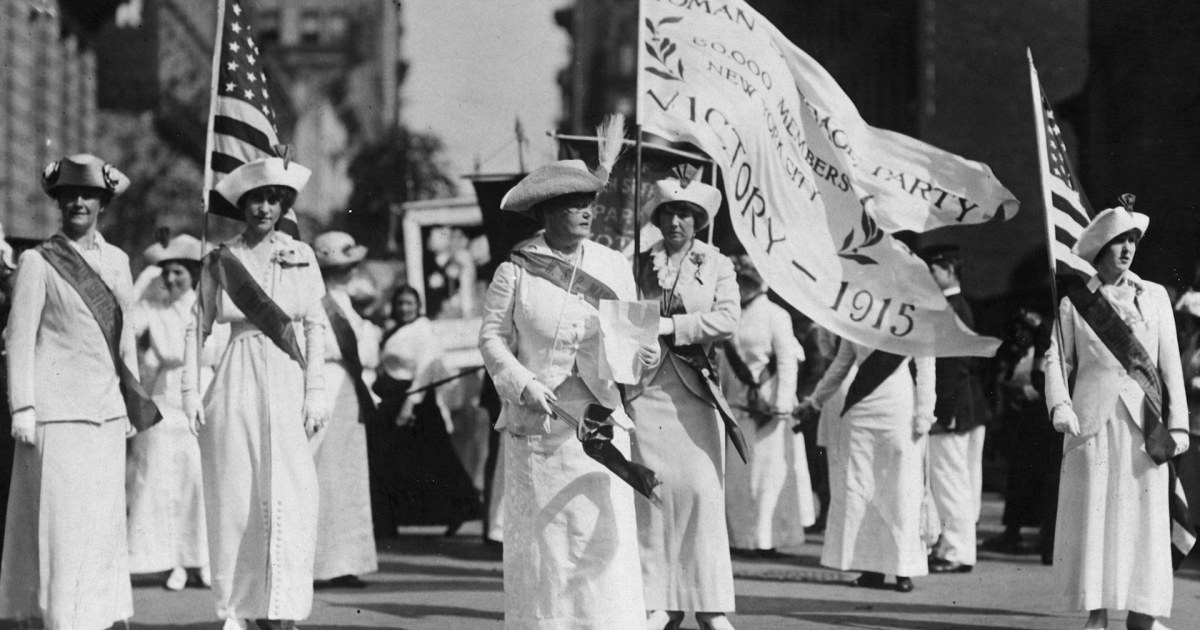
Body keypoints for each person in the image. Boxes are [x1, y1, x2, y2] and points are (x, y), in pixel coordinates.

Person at [479, 158, 657, 630]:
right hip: (540, 426)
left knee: (602, 541)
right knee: (549, 547)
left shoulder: (613, 264)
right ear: (546, 211)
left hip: (600, 422)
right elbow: (492, 339)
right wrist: (523, 383)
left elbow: (632, 336)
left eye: (588, 203)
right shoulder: (516, 269)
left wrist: (646, 353)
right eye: (573, 204)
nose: (586, 212)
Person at [0, 154, 148, 629]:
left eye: (88, 194)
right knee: (61, 528)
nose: (79, 202)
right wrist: (22, 406)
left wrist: (131, 400)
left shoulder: (119, 261)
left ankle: (98, 616)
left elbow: (125, 337)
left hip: (106, 412)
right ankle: (63, 620)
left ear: (103, 202)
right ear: (59, 202)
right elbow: (19, 337)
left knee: (101, 523)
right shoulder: (38, 261)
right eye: (70, 195)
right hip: (56, 413)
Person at [182, 155, 328, 630]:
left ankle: (284, 607)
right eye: (255, 200)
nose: (264, 208)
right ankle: (239, 609)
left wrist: (315, 390)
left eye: (272, 199)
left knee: (292, 494)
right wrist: (190, 390)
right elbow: (197, 326)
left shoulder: (300, 254)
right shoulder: (220, 258)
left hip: (287, 376)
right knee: (235, 495)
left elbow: (315, 325)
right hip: (236, 376)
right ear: (242, 205)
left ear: (283, 205)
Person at [1043, 202, 1190, 630]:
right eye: (1118, 242)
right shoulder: (1075, 303)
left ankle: (1143, 615)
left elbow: (1170, 366)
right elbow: (1057, 360)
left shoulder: (1155, 296)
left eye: (1132, 241)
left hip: (1146, 424)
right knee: (1097, 518)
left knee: (1144, 518)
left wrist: (1179, 423)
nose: (1127, 250)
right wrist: (1060, 405)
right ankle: (1098, 614)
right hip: (1093, 423)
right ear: (1100, 248)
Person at [630, 171, 740, 630]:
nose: (675, 222)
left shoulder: (717, 264)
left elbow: (728, 319)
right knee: (653, 495)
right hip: (646, 393)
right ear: (657, 218)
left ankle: (709, 605)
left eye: (685, 214)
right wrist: (637, 340)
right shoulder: (637, 262)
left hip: (695, 390)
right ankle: (661, 602)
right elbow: (620, 317)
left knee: (700, 493)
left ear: (698, 220)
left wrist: (674, 326)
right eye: (668, 213)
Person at [797, 341, 936, 593]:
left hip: (899, 410)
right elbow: (841, 365)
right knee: (860, 490)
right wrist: (815, 400)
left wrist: (925, 413)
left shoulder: (914, 318)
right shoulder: (857, 318)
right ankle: (870, 568)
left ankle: (903, 568)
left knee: (900, 489)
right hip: (860, 409)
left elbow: (926, 366)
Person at [126, 234, 211, 591]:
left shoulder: (207, 307)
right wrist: (143, 282)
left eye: (178, 272)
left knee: (197, 479)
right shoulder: (154, 307)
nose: (171, 279)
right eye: (166, 273)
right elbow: (127, 326)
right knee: (162, 477)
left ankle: (201, 558)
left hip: (200, 391)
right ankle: (172, 560)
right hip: (165, 396)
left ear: (193, 273)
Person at [370, 285, 481, 536]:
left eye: (409, 303)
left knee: (432, 460)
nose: (404, 308)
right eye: (400, 303)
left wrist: (410, 405)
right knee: (397, 463)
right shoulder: (395, 330)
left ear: (418, 306)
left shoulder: (423, 330)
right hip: (391, 398)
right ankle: (392, 518)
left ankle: (459, 509)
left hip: (414, 401)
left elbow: (424, 370)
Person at [722, 254, 813, 556]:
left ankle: (767, 539)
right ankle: (741, 538)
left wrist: (782, 403)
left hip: (770, 406)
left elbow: (787, 360)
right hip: (739, 404)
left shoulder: (776, 314)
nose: (743, 286)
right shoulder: (728, 314)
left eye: (748, 280)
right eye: (739, 280)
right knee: (739, 476)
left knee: (768, 477)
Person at [311, 231, 380, 588]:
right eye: (342, 266)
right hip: (324, 387)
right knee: (323, 472)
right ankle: (319, 564)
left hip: (349, 387)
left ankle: (345, 561)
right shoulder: (315, 301)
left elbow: (367, 352)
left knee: (349, 476)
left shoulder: (347, 302)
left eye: (351, 265)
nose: (350, 271)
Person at [919, 244, 989, 574]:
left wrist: (941, 412)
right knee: (957, 480)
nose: (928, 276)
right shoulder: (955, 305)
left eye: (932, 270)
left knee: (950, 482)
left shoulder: (951, 308)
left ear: (948, 270)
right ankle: (954, 546)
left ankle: (956, 551)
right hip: (962, 407)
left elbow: (953, 367)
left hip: (952, 408)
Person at [984, 308, 1058, 565]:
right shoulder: (1019, 354)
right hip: (1024, 425)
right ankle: (1013, 532)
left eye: (1024, 330)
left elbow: (1043, 386)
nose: (1019, 335)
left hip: (1042, 424)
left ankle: (1046, 539)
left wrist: (1022, 392)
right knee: (1018, 480)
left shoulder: (1044, 352)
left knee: (1046, 482)